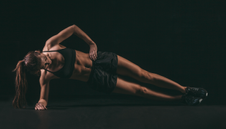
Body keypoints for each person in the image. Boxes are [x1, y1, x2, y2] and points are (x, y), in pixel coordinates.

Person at [13, 24, 208, 110]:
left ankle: (186, 88)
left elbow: (73, 28)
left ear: (39, 53)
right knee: (141, 90)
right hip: (97, 80)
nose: (47, 64)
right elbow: (43, 97)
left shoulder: (51, 44)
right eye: (43, 66)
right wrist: (42, 103)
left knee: (144, 75)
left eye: (44, 60)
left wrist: (91, 44)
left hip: (101, 60)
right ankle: (181, 99)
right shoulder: (45, 76)